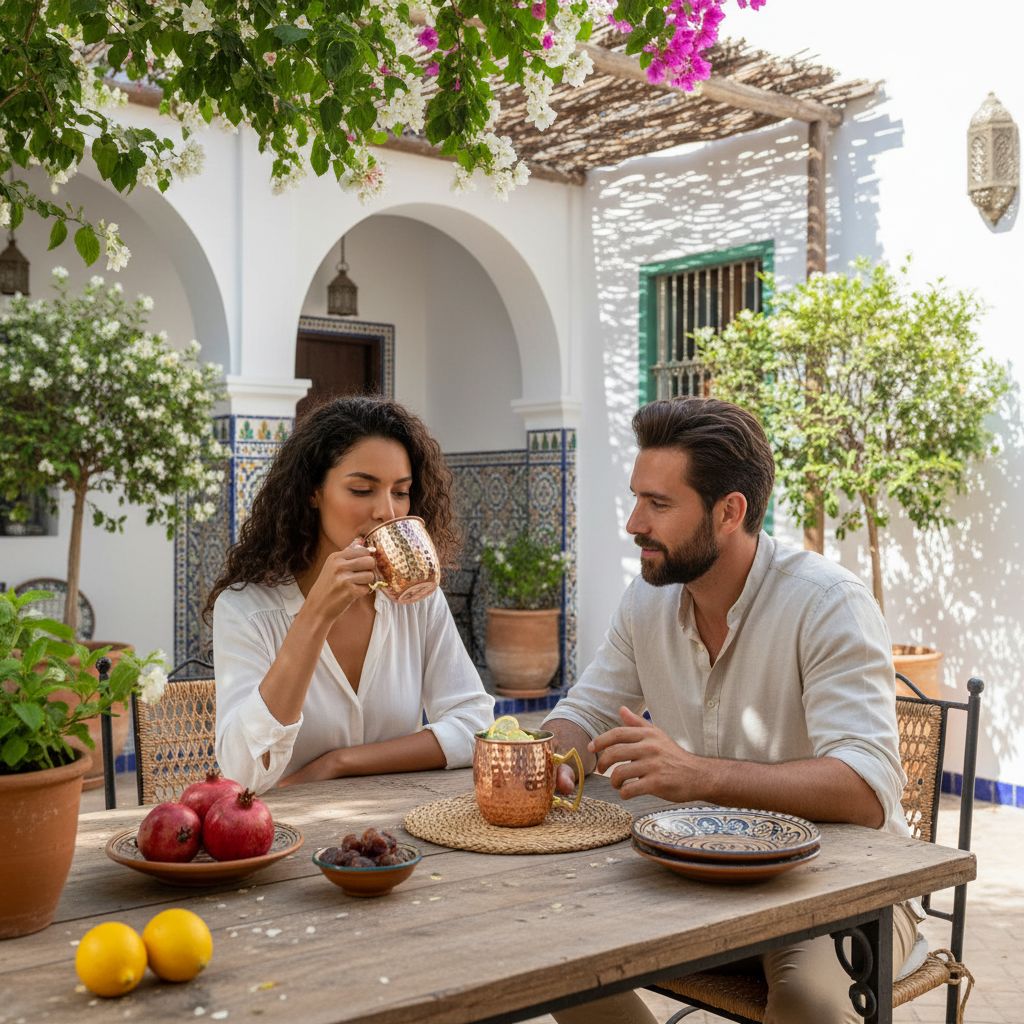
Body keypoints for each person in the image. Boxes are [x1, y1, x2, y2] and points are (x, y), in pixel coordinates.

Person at [545, 396, 921, 1024]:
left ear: (729, 512)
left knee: (809, 1004)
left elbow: (867, 790)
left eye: (658, 504)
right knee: (555, 958)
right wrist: (545, 756)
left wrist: (699, 775)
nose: (635, 523)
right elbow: (586, 714)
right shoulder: (646, 602)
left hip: (835, 889)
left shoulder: (827, 602)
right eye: (637, 498)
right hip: (692, 875)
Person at [204, 395, 494, 794]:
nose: (387, 511)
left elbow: (476, 725)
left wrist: (339, 763)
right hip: (287, 828)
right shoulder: (246, 610)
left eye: (401, 492)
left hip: (400, 823)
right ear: (313, 492)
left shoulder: (417, 601)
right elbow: (244, 772)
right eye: (361, 490)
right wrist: (315, 615)